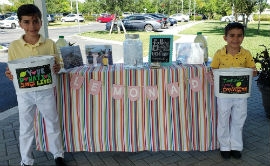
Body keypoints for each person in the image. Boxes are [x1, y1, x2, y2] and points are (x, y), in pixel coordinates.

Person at [4, 4, 66, 166]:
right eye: (26, 22)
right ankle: (26, 160)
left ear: (41, 22)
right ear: (20, 24)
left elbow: (57, 65)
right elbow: (11, 70)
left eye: (35, 21)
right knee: (25, 127)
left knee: (52, 122)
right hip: (24, 93)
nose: (31, 26)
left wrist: (58, 68)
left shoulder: (49, 44)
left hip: (45, 91)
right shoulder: (14, 46)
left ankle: (58, 155)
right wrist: (9, 74)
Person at [210, 22, 256, 159]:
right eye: (232, 36)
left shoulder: (246, 54)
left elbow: (253, 70)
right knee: (223, 119)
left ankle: (236, 146)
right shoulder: (219, 54)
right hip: (223, 93)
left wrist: (253, 72)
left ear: (243, 37)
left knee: (239, 119)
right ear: (225, 38)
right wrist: (212, 74)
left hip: (241, 93)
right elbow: (213, 69)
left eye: (239, 36)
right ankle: (224, 146)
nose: (235, 39)